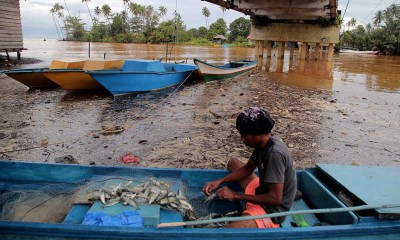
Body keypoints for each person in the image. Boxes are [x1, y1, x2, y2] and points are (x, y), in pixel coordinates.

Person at [202, 106, 297, 228]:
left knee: (227, 231)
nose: (242, 139)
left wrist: (235, 195)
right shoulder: (264, 143)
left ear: (256, 134)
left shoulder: (275, 154)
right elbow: (247, 169)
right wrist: (219, 181)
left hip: (271, 210)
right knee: (233, 163)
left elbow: (275, 199)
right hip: (262, 189)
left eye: (244, 135)